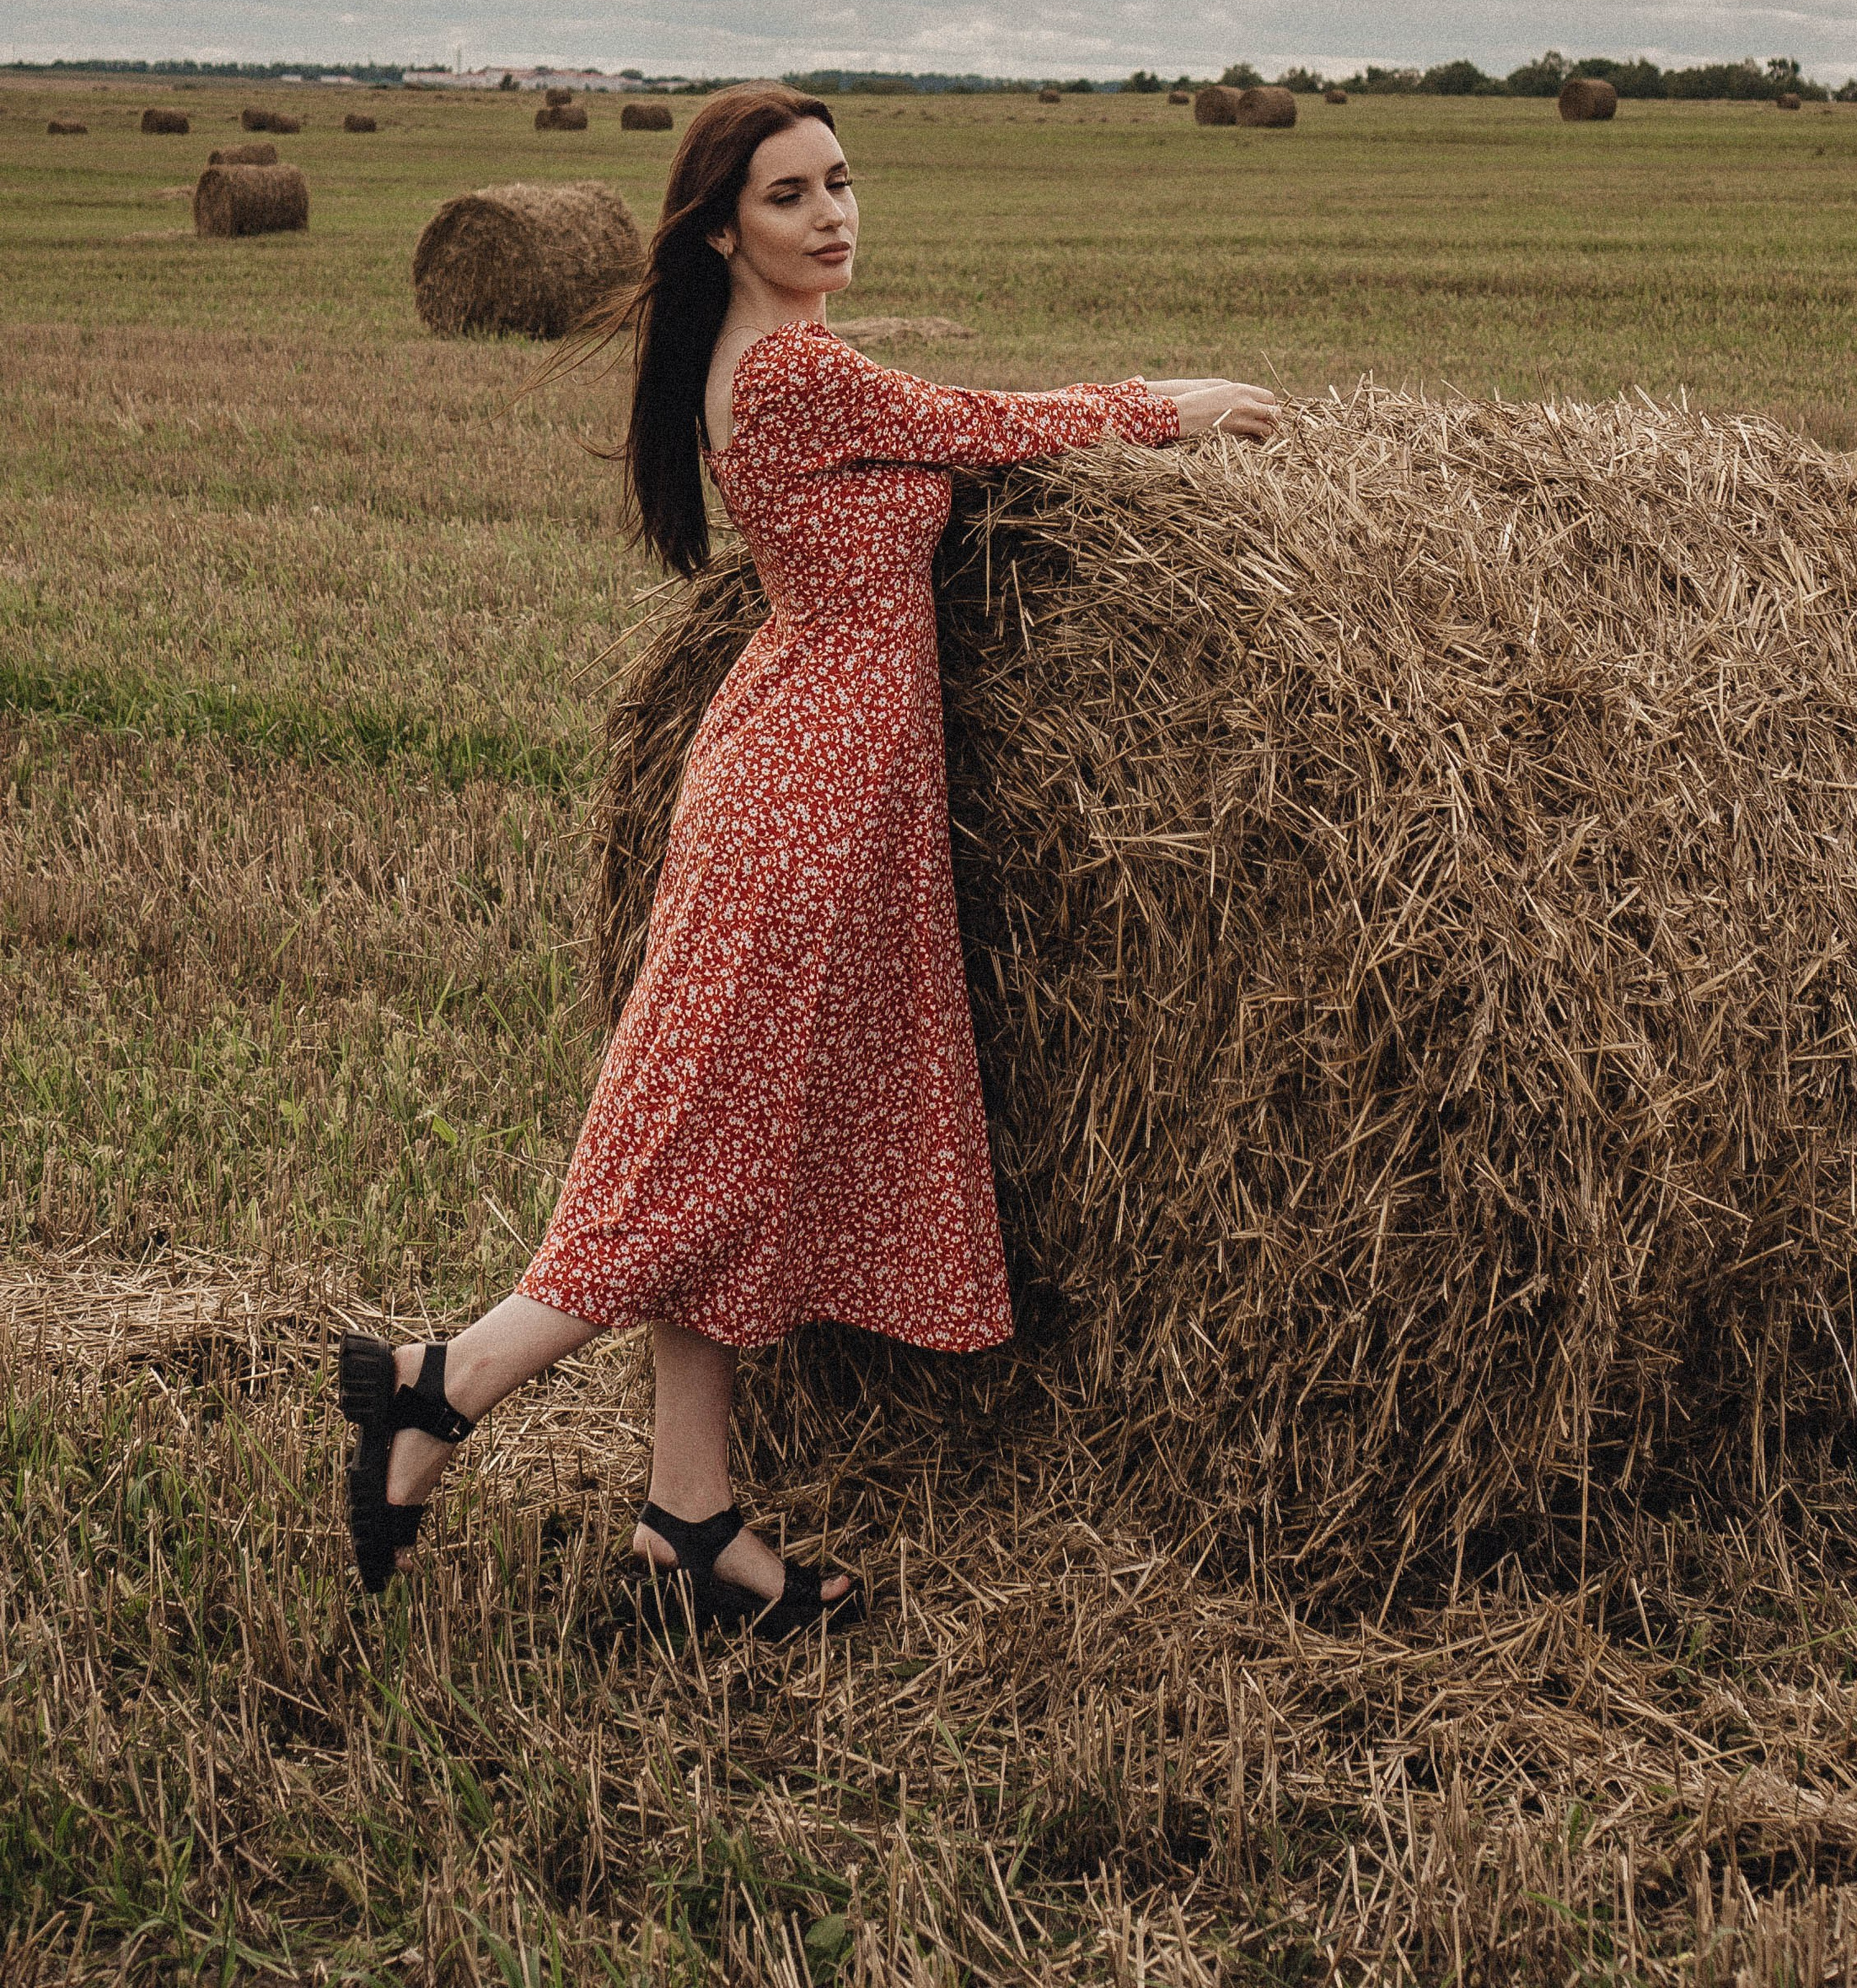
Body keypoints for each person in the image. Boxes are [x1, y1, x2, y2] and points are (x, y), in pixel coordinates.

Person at [339, 83, 1279, 1635]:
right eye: (791, 195)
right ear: (724, 230)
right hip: (807, 798)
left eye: (841, 181)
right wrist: (1169, 405)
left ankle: (689, 1520)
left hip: (819, 772)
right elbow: (989, 428)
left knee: (730, 1138)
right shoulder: (787, 373)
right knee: (696, 1153)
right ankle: (444, 1382)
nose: (833, 213)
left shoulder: (779, 357)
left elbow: (941, 444)